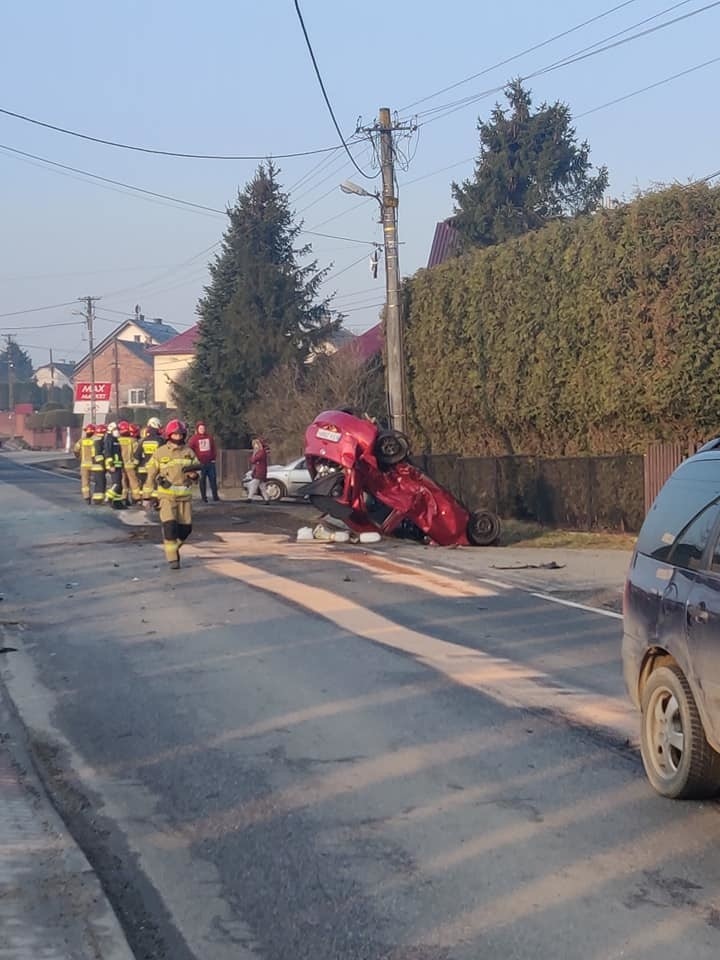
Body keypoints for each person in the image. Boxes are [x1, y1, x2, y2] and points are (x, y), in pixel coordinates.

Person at [144, 419, 200, 569]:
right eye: (175, 434)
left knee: (186, 529)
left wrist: (194, 476)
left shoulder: (189, 452)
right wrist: (147, 496)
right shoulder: (160, 452)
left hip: (185, 497)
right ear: (169, 435)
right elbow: (150, 474)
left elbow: (196, 471)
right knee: (170, 526)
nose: (177, 437)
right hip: (166, 496)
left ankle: (173, 549)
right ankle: (172, 559)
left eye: (180, 434)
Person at [188, 421, 219, 503]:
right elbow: (189, 450)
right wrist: (193, 460)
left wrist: (214, 458)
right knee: (202, 480)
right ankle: (204, 497)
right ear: (197, 429)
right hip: (200, 463)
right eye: (200, 428)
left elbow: (214, 448)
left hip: (210, 462)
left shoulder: (209, 437)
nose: (202, 430)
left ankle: (215, 496)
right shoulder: (194, 439)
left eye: (203, 428)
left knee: (213, 479)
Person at [137, 417, 164, 507]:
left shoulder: (143, 440)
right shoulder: (160, 440)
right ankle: (156, 501)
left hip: (145, 466)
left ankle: (145, 500)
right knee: (156, 484)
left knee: (147, 484)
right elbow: (164, 454)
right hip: (156, 466)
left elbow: (137, 454)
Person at [73, 423, 95, 503]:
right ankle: (98, 496)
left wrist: (78, 457)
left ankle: (87, 497)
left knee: (85, 481)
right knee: (98, 480)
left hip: (84, 464)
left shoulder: (81, 441)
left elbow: (76, 450)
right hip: (94, 464)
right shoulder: (94, 441)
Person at [246, 437, 269, 502]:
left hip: (260, 472)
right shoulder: (261, 452)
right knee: (262, 487)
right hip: (260, 471)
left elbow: (253, 460)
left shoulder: (261, 452)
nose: (255, 446)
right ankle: (267, 499)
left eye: (255, 444)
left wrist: (254, 453)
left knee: (253, 485)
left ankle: (249, 498)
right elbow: (253, 460)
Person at [91, 423, 108, 505]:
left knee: (100, 482)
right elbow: (98, 455)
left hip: (96, 465)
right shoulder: (98, 441)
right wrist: (103, 463)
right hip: (98, 466)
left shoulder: (96, 440)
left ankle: (98, 498)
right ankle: (98, 500)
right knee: (100, 482)